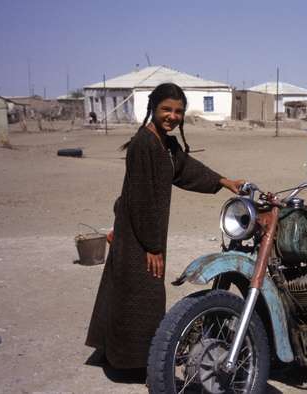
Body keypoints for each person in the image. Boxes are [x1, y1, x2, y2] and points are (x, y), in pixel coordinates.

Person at [85, 83, 244, 371]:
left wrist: (224, 181)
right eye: (166, 109)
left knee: (128, 291)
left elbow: (186, 168)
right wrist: (153, 247)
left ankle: (116, 353)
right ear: (153, 109)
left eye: (178, 111)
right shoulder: (143, 144)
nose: (173, 116)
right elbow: (141, 200)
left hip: (142, 233)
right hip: (137, 234)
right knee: (141, 294)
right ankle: (132, 362)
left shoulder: (165, 143)